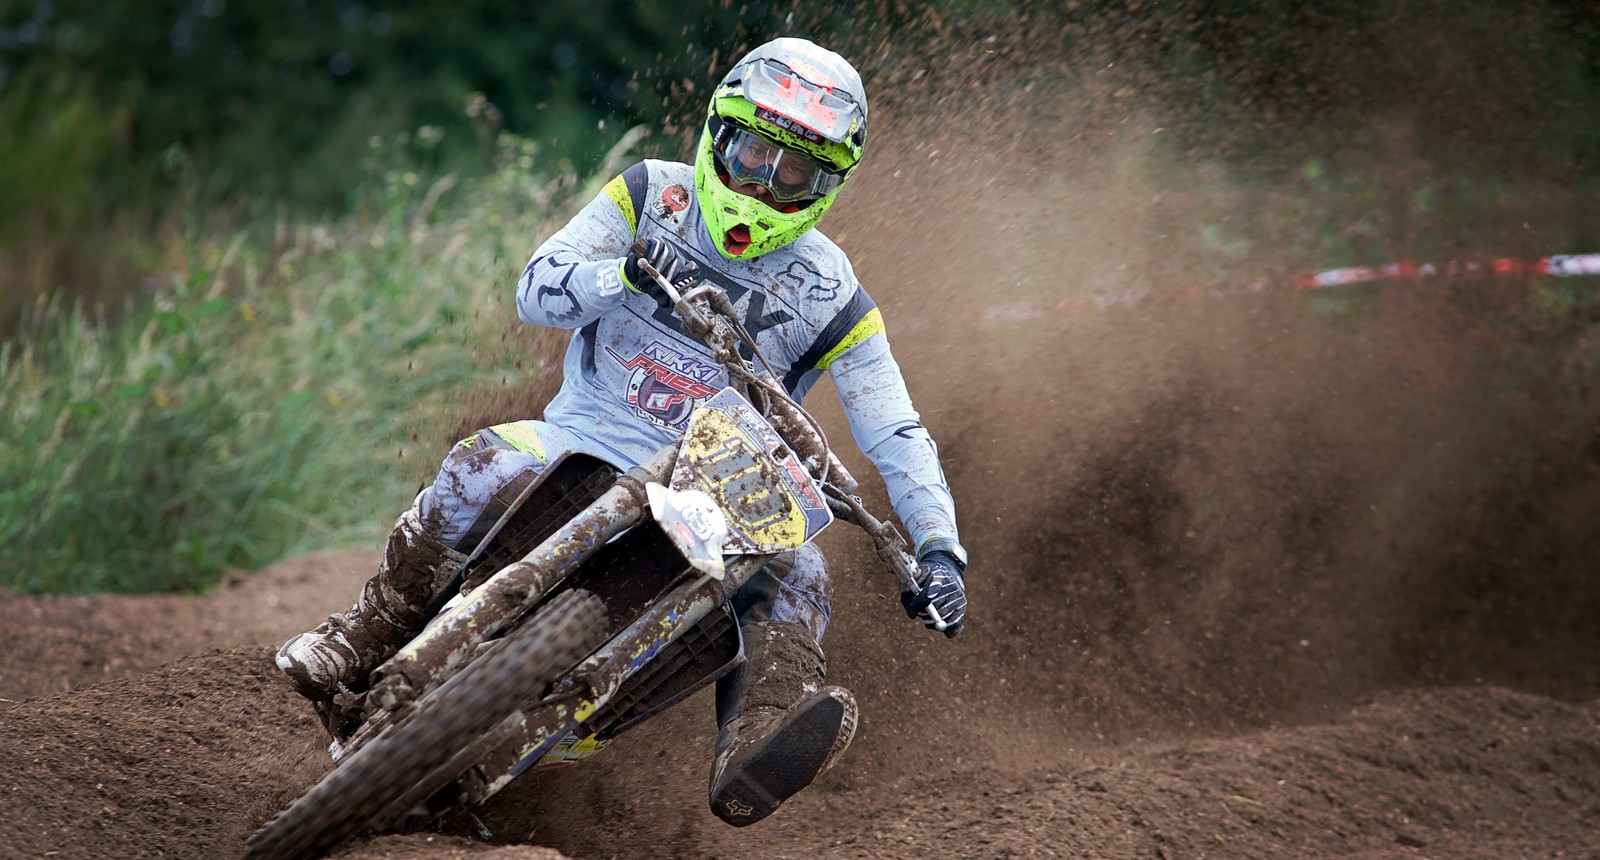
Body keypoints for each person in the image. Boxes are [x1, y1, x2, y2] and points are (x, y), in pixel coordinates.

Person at [276, 36, 968, 827]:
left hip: (728, 486)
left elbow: (896, 430)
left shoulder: (831, 290)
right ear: (719, 134)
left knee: (803, 569)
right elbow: (536, 288)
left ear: (825, 185)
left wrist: (939, 550)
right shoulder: (650, 194)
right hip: (584, 438)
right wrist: (622, 273)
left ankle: (759, 733)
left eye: (794, 174)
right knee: (479, 464)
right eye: (750, 154)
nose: (762, 184)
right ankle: (364, 635)